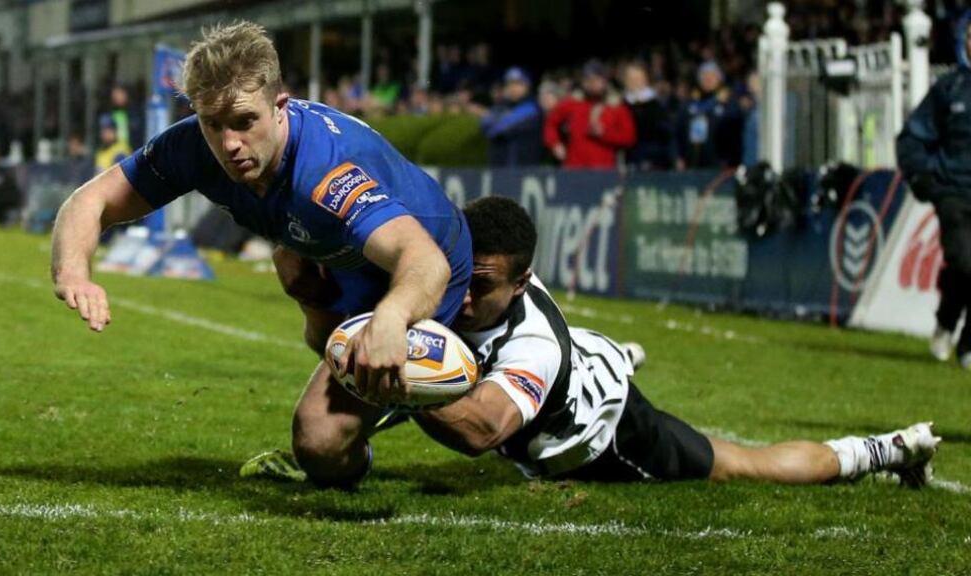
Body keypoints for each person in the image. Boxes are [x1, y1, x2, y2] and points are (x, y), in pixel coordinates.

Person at [245, 197, 941, 489]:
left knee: (738, 465)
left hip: (595, 425)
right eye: (457, 274)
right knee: (344, 416)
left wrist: (390, 383)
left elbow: (483, 428)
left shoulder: (535, 343)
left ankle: (882, 450)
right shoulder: (439, 269)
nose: (455, 297)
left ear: (519, 285)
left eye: (479, 288)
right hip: (529, 370)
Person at [50, 21, 473, 486]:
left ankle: (446, 381)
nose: (229, 143)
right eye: (213, 123)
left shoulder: (326, 172)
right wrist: (74, 272)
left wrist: (391, 319)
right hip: (338, 256)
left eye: (244, 121)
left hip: (427, 271)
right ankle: (371, 406)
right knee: (291, 266)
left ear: (279, 106)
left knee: (318, 444)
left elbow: (422, 259)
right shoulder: (193, 145)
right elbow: (91, 201)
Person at [897, 11, 971, 370]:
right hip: (954, 190)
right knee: (964, 261)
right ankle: (946, 323)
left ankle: (965, 341)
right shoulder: (948, 89)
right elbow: (912, 137)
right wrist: (923, 177)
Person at [543, 60, 636, 169]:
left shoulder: (616, 106)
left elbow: (629, 138)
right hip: (574, 168)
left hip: (604, 170)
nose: (593, 84)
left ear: (604, 81)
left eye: (597, 80)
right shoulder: (572, 103)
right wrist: (554, 144)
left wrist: (604, 133)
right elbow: (551, 122)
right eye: (588, 80)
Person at [673, 60, 743, 170]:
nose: (708, 79)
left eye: (712, 75)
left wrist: (731, 160)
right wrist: (678, 156)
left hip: (719, 163)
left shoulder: (729, 103)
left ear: (719, 78)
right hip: (691, 161)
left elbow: (735, 134)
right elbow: (677, 132)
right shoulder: (689, 104)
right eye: (704, 76)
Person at [480, 67, 543, 167]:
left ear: (527, 85)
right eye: (510, 83)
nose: (513, 88)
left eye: (518, 83)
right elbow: (484, 125)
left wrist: (497, 122)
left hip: (524, 170)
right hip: (499, 169)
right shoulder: (499, 106)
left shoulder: (532, 108)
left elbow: (502, 129)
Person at [620, 61, 674, 170]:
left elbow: (667, 134)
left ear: (645, 80)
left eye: (638, 78)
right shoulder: (620, 104)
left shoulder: (658, 104)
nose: (634, 82)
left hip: (655, 161)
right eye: (631, 79)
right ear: (625, 81)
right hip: (629, 160)